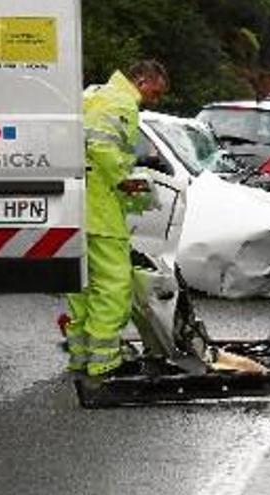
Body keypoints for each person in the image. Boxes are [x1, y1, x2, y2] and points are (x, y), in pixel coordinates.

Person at [65, 60, 169, 377]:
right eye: (156, 90)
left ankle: (81, 356)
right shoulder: (121, 102)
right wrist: (128, 183)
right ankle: (105, 360)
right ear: (141, 79)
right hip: (101, 211)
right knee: (113, 286)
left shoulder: (91, 94)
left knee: (81, 287)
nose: (157, 98)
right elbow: (103, 148)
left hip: (75, 208)